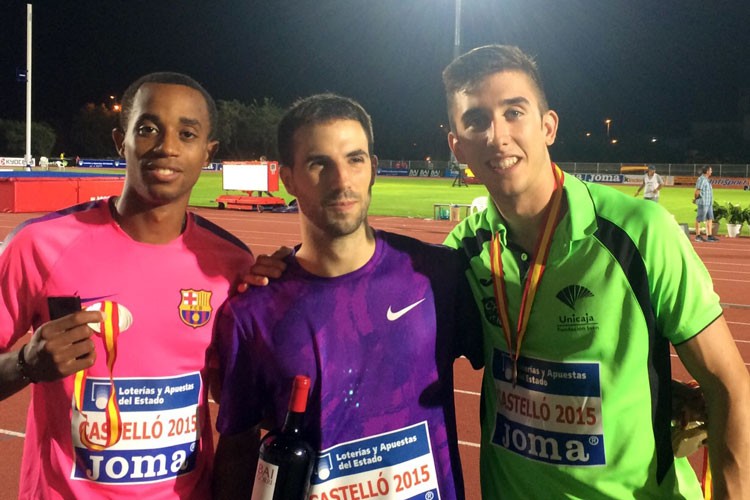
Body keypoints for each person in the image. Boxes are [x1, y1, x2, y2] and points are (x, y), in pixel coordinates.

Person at [442, 45, 750, 498]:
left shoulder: (640, 234)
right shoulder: (462, 252)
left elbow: (727, 383)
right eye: (476, 121)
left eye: (514, 112)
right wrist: (296, 272)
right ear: (457, 144)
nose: (497, 136)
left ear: (547, 127)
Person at [211, 94, 482, 499]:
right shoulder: (253, 310)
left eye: (355, 159)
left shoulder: (438, 275)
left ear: (372, 168)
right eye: (319, 163)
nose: (341, 181)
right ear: (288, 178)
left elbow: (514, 372)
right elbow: (237, 450)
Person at [0, 72, 254, 498]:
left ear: (207, 152)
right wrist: (26, 363)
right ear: (122, 140)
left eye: (187, 133)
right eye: (149, 128)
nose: (167, 146)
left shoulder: (232, 265)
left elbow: (240, 410)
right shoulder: (38, 246)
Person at [694, 165, 719, 242]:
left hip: (709, 203)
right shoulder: (701, 179)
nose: (711, 172)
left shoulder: (706, 179)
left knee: (710, 218)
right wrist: (695, 199)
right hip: (703, 202)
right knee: (699, 219)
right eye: (710, 170)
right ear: (707, 171)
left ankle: (709, 235)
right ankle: (697, 236)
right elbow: (697, 191)